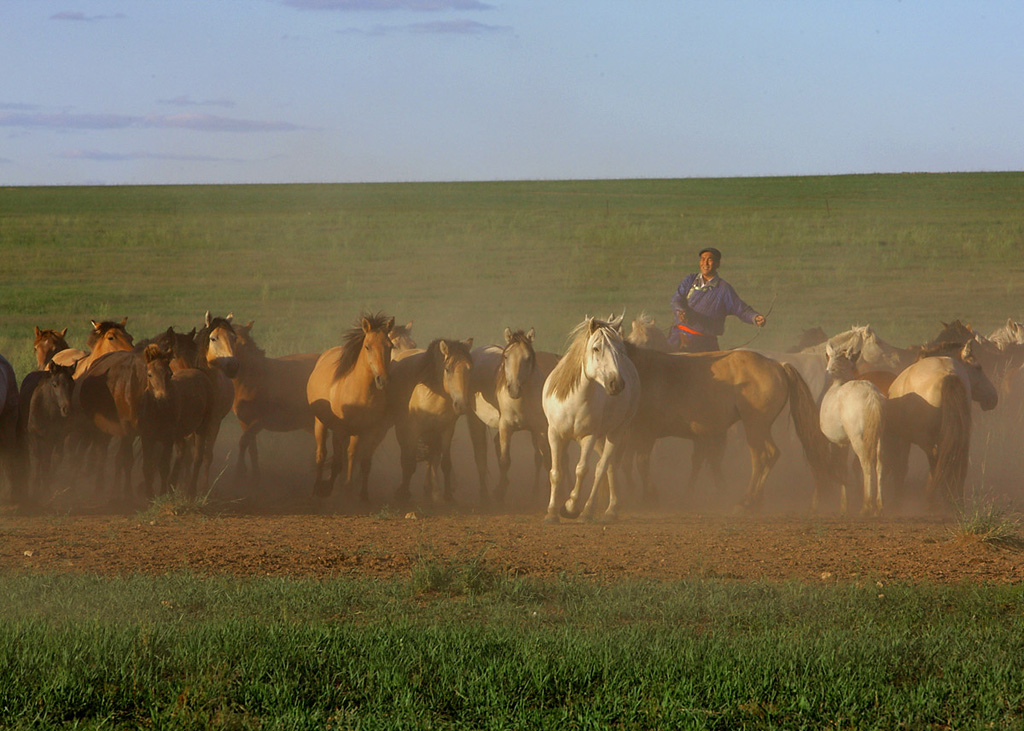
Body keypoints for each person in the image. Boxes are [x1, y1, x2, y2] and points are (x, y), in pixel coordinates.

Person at [669, 247, 765, 352]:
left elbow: (741, 309)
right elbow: (677, 298)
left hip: (704, 343)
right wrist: (680, 310)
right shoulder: (690, 280)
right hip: (678, 336)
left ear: (717, 264)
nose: (705, 263)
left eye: (709, 260)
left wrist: (755, 317)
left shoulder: (724, 289)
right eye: (702, 259)